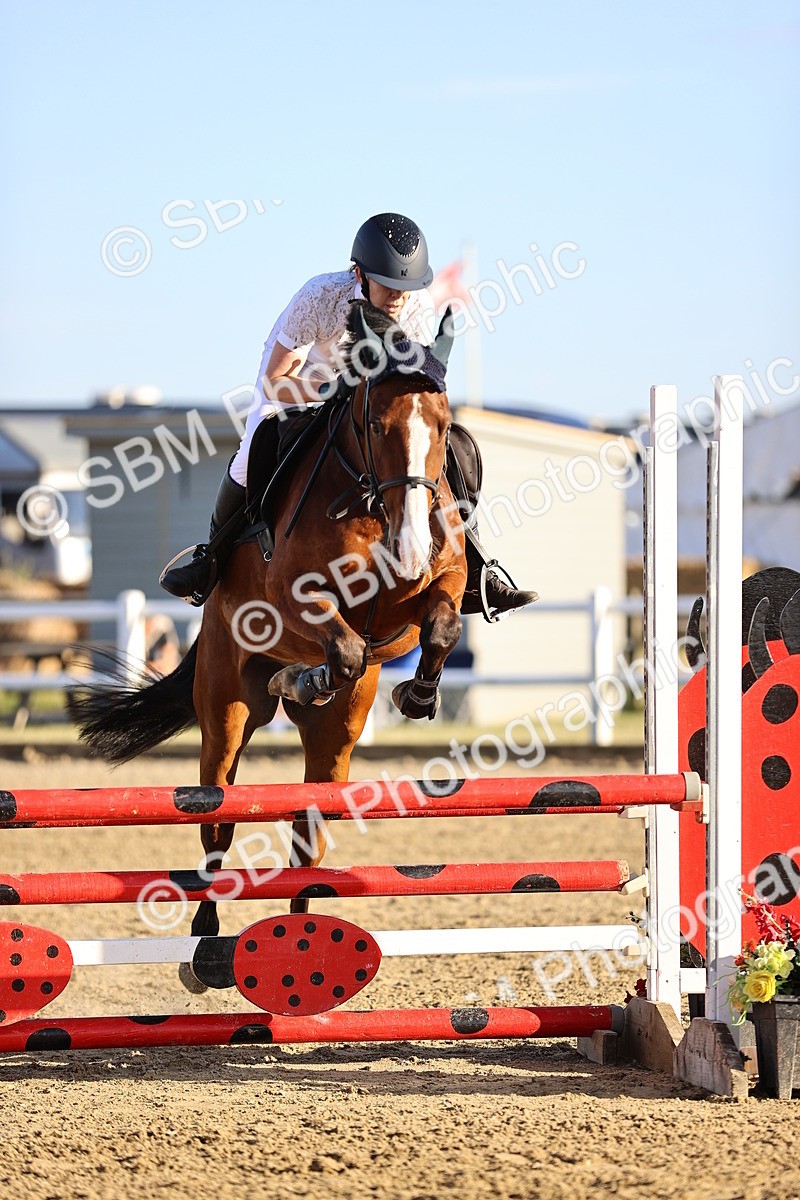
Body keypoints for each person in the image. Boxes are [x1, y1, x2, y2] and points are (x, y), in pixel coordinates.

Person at [161, 212, 538, 618]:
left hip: (368, 396)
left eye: (406, 287)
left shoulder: (418, 308)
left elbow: (411, 387)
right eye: (388, 284)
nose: (398, 296)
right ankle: (210, 559)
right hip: (299, 386)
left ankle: (477, 568)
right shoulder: (320, 296)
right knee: (250, 455)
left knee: (441, 450)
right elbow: (275, 381)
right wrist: (329, 390)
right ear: (359, 274)